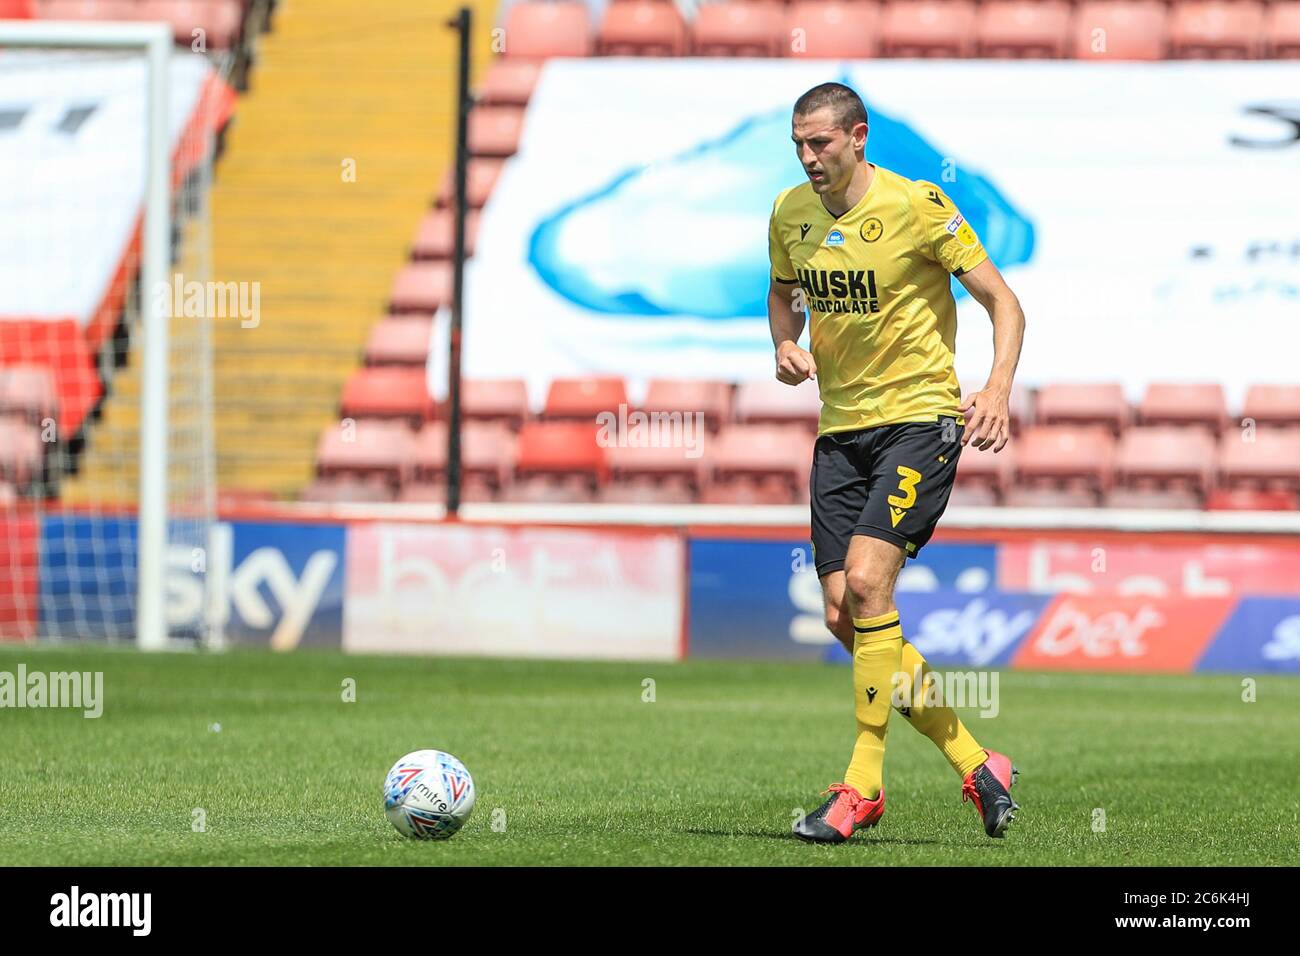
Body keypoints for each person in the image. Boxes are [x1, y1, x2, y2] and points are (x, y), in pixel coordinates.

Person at [767, 82, 1026, 843]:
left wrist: (997, 390)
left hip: (920, 421)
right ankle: (978, 761)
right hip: (840, 432)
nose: (809, 158)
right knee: (846, 614)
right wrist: (782, 342)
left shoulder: (918, 206)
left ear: (858, 136)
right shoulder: (789, 214)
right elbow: (783, 296)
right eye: (799, 146)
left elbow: (1003, 302)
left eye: (821, 143)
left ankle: (862, 787)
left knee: (872, 582)